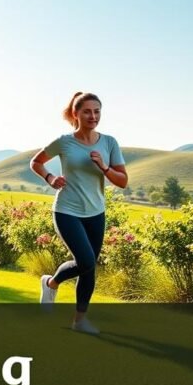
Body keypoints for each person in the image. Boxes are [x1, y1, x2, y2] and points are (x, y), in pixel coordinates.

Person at [30, 92, 128, 335]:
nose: (93, 116)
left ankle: (78, 320)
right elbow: (36, 162)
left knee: (89, 268)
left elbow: (123, 181)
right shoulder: (64, 142)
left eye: (97, 111)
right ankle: (52, 283)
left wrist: (104, 167)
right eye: (87, 111)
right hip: (67, 210)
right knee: (85, 261)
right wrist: (50, 177)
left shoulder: (109, 143)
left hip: (96, 212)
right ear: (76, 114)